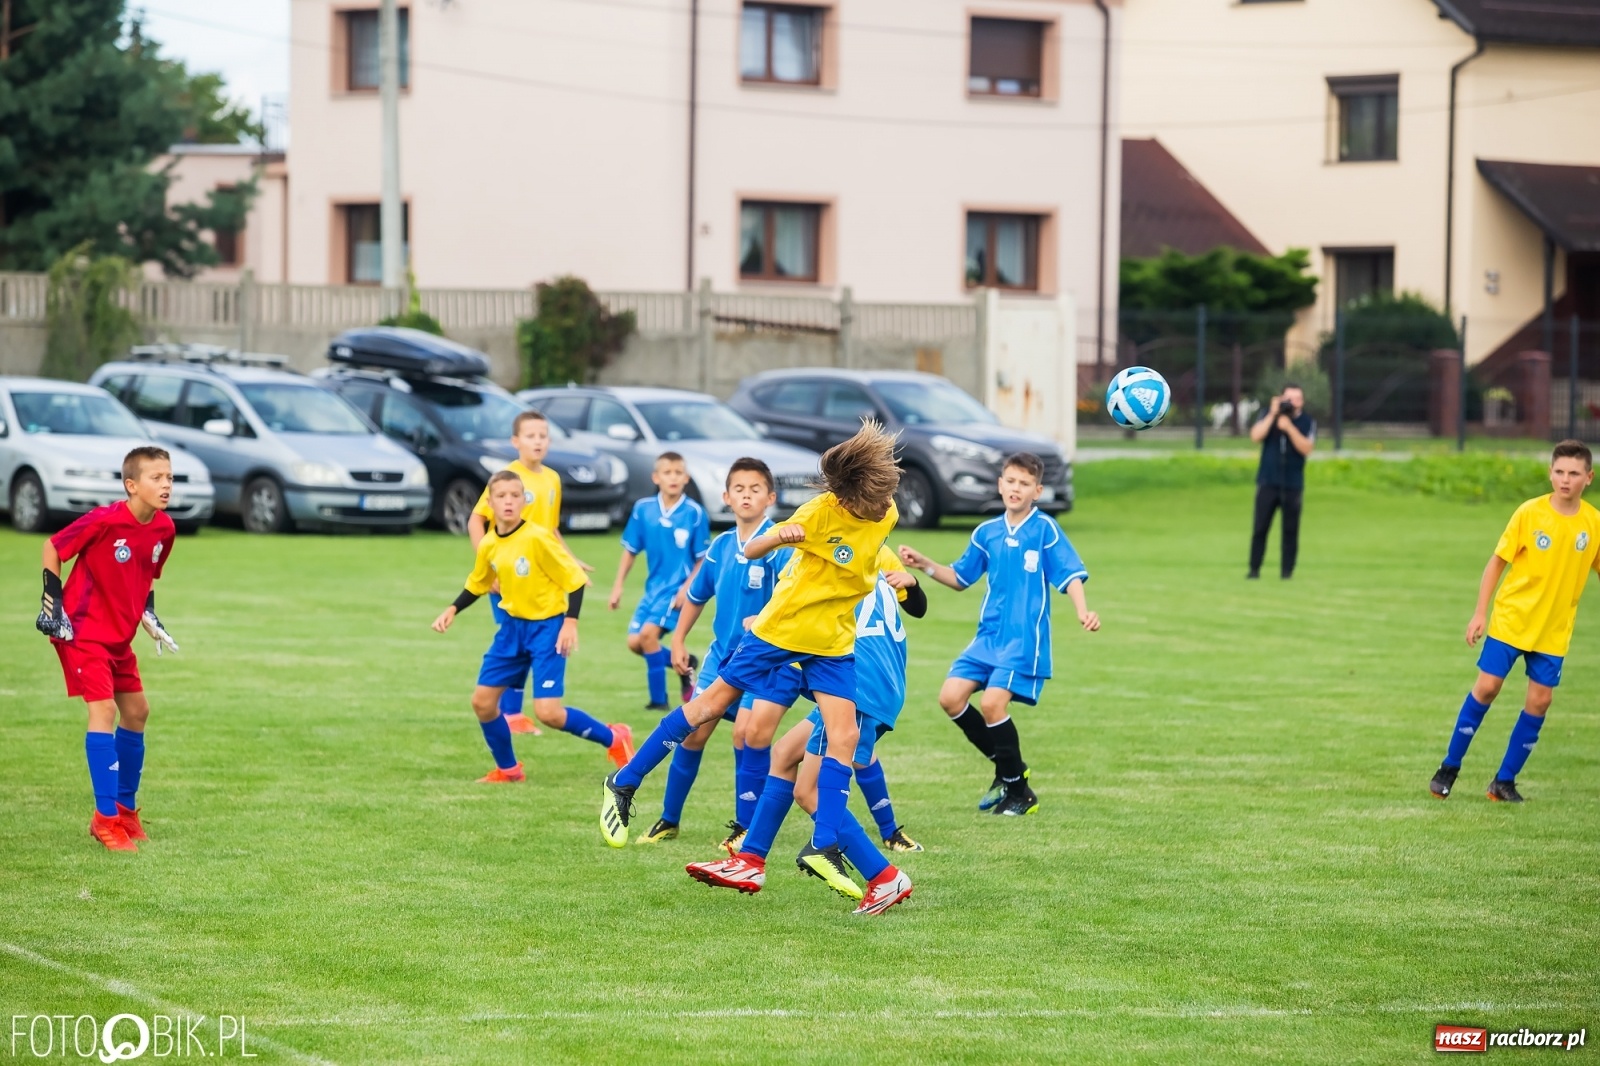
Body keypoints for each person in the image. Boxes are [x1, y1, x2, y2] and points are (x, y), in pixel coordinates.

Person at [599, 422, 901, 901]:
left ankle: (821, 846)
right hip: (780, 630)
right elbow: (751, 547)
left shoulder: (885, 512)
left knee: (843, 736)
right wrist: (783, 537)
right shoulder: (820, 511)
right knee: (710, 707)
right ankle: (625, 779)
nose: (844, 505)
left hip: (833, 640)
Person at [686, 549, 928, 915]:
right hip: (863, 684)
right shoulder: (863, 559)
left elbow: (807, 630)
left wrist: (763, 628)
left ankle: (884, 876)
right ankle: (751, 860)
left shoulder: (830, 565)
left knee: (808, 790)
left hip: (862, 689)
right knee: (783, 753)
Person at [899, 452, 1098, 817]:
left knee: (992, 704)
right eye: (1010, 481)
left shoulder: (1045, 529)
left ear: (1037, 491)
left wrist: (1082, 610)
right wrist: (925, 564)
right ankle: (1010, 774)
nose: (1015, 488)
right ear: (1000, 484)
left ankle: (1018, 791)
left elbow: (1069, 574)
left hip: (1023, 639)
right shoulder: (986, 532)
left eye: (1024, 483)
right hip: (988, 637)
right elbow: (960, 578)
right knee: (950, 698)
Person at [433, 470, 633, 782]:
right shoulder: (488, 544)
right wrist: (452, 609)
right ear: (490, 502)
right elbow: (479, 583)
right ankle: (509, 770)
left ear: (524, 501)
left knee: (549, 713)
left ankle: (615, 737)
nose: (509, 502)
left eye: (516, 495)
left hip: (547, 629)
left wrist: (570, 622)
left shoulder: (538, 538)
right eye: (501, 496)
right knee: (483, 703)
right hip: (512, 629)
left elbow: (575, 579)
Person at [1429, 440, 1600, 803]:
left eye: (1573, 473)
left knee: (1540, 702)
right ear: (1550, 473)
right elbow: (1497, 562)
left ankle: (1503, 781)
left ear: (1589, 477)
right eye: (1558, 472)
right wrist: (1480, 612)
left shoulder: (1593, 522)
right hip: (1512, 620)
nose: (1564, 480)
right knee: (1488, 687)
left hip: (1553, 630)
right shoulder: (1529, 513)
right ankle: (1449, 766)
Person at [636, 458, 793, 846]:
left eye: (755, 489)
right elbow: (694, 596)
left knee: (746, 734)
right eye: (738, 489)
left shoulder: (779, 545)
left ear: (770, 498)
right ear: (725, 497)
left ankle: (744, 828)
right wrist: (677, 639)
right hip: (722, 659)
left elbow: (795, 595)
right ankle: (668, 819)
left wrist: (765, 617)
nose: (746, 495)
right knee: (692, 734)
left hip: (765, 662)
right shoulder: (721, 546)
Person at [37, 446, 181, 852]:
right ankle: (105, 820)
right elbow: (53, 547)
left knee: (137, 712)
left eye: (170, 477)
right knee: (104, 710)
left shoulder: (164, 529)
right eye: (157, 478)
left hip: (119, 638)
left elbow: (147, 573)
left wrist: (148, 614)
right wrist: (52, 604)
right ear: (132, 485)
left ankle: (125, 809)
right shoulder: (103, 520)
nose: (166, 485)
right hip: (83, 632)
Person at [468, 409, 593, 735]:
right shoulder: (508, 478)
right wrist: (490, 568)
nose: (537, 442)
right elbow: (475, 519)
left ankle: (515, 714)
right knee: (514, 637)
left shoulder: (551, 478)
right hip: (510, 574)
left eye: (542, 436)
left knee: (525, 638)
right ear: (516, 441)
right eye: (530, 436)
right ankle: (511, 715)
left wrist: (570, 559)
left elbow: (549, 529)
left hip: (541, 572)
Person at [608, 452, 709, 711]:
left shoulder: (694, 513)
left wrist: (687, 588)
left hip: (676, 590)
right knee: (635, 642)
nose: (673, 478)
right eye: (667, 472)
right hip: (653, 590)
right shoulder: (643, 509)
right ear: (656, 477)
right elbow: (630, 550)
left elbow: (701, 559)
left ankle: (658, 700)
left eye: (678, 473)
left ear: (686, 478)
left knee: (648, 636)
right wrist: (618, 586)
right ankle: (685, 664)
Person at [1248, 383, 1316, 580]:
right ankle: (1254, 569)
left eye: (1296, 399)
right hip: (1268, 480)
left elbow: (1307, 448)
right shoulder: (1268, 414)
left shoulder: (1307, 422)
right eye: (1288, 398)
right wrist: (1273, 415)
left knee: (1290, 530)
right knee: (1260, 527)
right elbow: (1255, 436)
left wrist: (1289, 428)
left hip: (1293, 483)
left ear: (1301, 402)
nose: (1291, 403)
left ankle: (1287, 572)